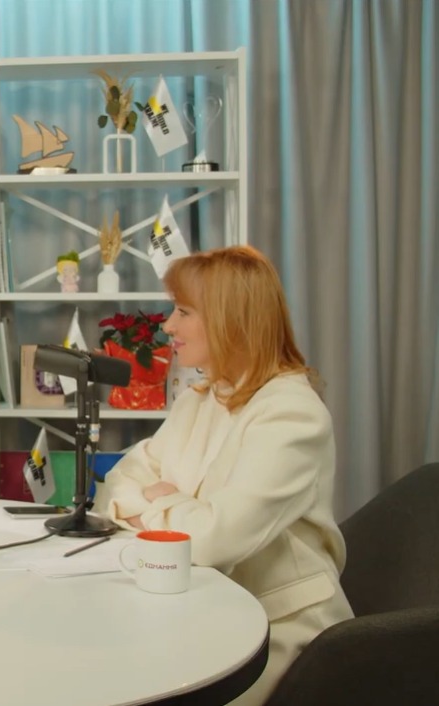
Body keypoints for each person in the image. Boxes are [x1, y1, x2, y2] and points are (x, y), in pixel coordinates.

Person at [102, 246, 353, 705]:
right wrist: (179, 511)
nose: (168, 326)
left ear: (230, 319)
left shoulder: (292, 414)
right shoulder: (200, 399)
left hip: (280, 630)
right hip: (205, 608)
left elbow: (214, 540)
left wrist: (157, 503)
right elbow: (119, 484)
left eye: (183, 312)